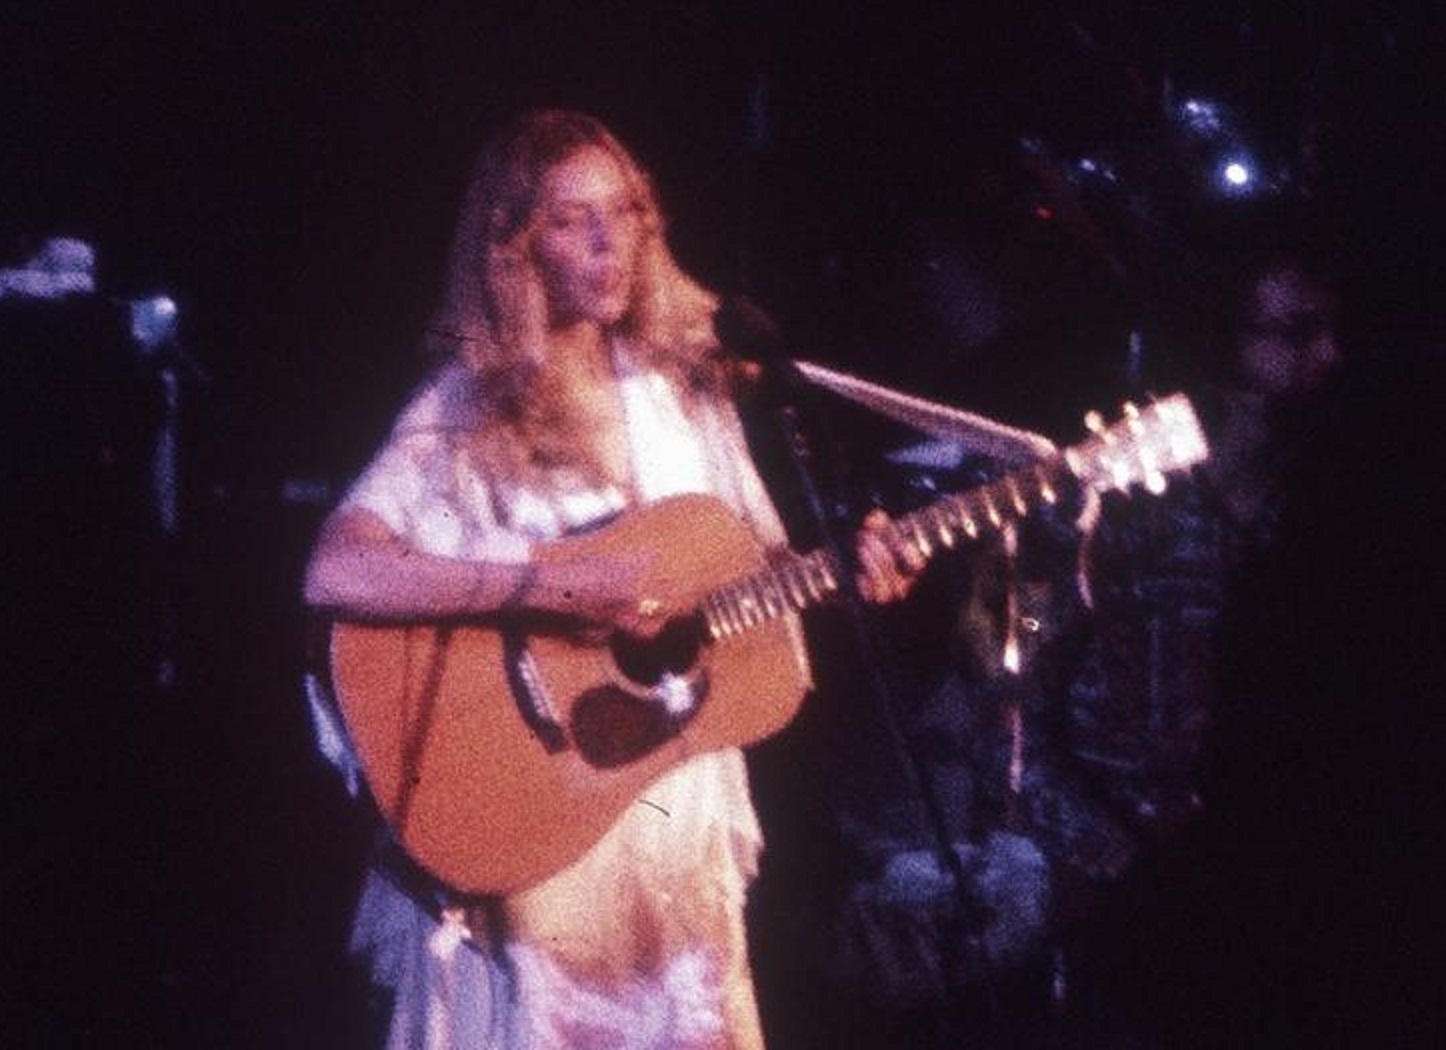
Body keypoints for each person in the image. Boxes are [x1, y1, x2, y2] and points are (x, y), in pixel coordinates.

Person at [303, 108, 920, 1049]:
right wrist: (540, 594)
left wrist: (853, 568)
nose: (607, 239)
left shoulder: (689, 391)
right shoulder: (467, 405)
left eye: (625, 211)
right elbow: (338, 572)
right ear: (514, 246)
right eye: (569, 217)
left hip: (673, 815)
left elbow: (751, 577)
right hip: (548, 809)